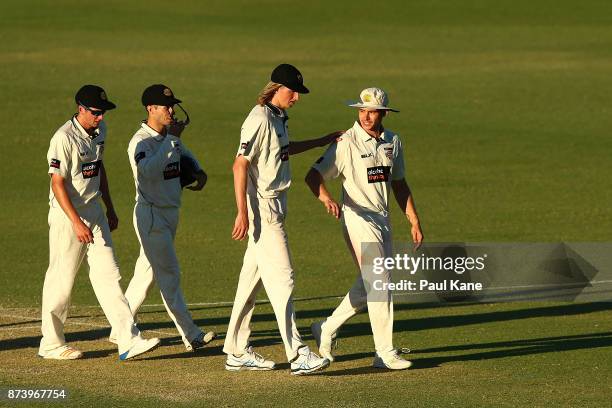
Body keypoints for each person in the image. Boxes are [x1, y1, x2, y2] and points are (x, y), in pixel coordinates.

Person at [223, 64, 342, 375]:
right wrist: (242, 212)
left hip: (275, 205)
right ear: (276, 88)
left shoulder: (278, 118)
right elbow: (239, 165)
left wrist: (320, 141)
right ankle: (298, 352)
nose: (297, 98)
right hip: (263, 209)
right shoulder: (259, 118)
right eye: (293, 92)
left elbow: (283, 151)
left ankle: (235, 349)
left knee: (250, 282)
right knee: (283, 278)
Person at [305, 87, 424, 370]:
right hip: (356, 217)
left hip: (382, 220)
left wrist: (414, 219)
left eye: (372, 111)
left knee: (371, 282)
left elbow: (399, 182)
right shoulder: (346, 142)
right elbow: (312, 176)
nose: (366, 117)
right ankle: (384, 352)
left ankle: (326, 327)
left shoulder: (393, 141)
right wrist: (326, 198)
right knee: (379, 281)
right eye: (362, 111)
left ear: (383, 113)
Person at [40, 85, 160, 360]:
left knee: (109, 275)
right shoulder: (64, 138)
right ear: (81, 108)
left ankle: (128, 339)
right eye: (96, 112)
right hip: (67, 215)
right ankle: (50, 344)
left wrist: (110, 207)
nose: (101, 117)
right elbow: (57, 183)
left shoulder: (99, 132)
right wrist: (76, 222)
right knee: (62, 279)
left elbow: (98, 168)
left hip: (94, 212)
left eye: (103, 112)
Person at [112, 84, 216, 352]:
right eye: (165, 106)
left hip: (170, 214)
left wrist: (200, 171)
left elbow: (185, 157)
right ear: (151, 109)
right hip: (151, 216)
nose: (171, 110)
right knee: (169, 273)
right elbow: (147, 171)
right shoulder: (141, 142)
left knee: (145, 274)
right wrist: (173, 140)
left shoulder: (168, 138)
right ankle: (191, 334)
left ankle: (118, 328)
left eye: (172, 105)